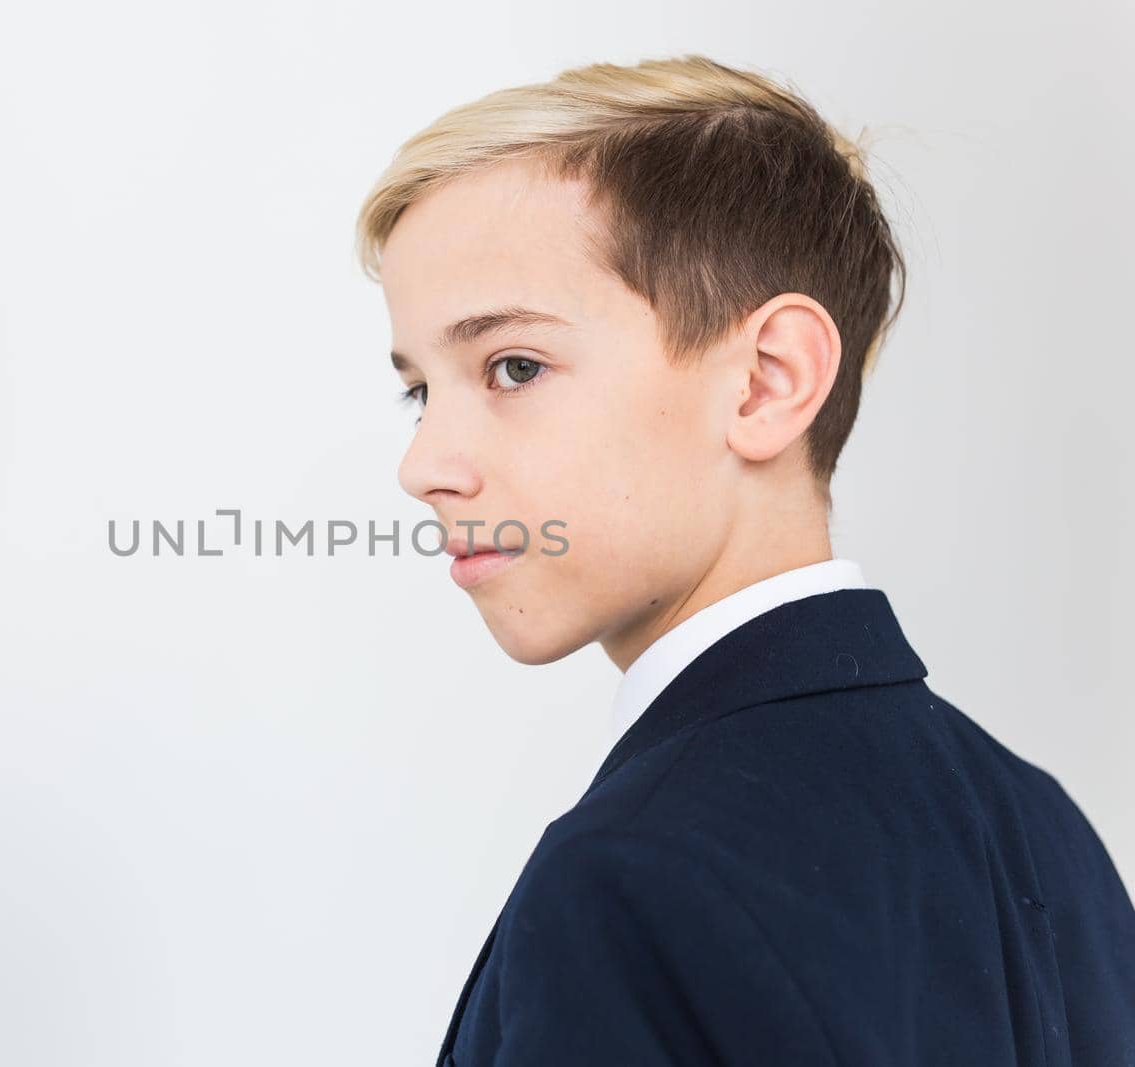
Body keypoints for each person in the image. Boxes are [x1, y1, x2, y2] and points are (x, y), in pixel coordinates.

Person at [354, 54, 1135, 1065]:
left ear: (767, 382)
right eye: (421, 389)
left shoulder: (630, 872)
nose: (424, 466)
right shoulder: (1038, 826)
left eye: (513, 366)